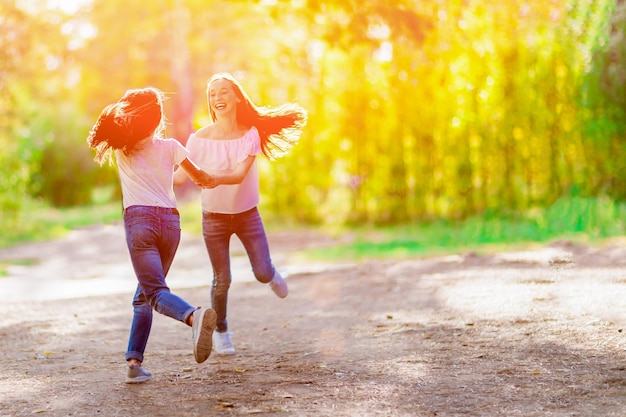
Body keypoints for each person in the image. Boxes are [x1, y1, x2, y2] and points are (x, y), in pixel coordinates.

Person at [87, 87, 218, 384]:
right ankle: (134, 363)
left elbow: (104, 123)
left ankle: (193, 316)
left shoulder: (123, 146)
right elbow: (201, 178)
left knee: (156, 292)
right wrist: (218, 176)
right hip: (171, 225)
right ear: (158, 117)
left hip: (141, 222)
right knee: (144, 296)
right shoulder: (171, 146)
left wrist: (120, 107)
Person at [175, 73, 307, 356]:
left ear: (236, 97)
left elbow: (237, 175)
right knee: (222, 279)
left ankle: (271, 273)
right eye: (212, 94)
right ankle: (222, 332)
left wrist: (210, 177)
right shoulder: (197, 139)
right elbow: (177, 178)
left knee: (260, 272)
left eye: (223, 92)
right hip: (213, 217)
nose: (217, 98)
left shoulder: (250, 134)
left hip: (247, 215)